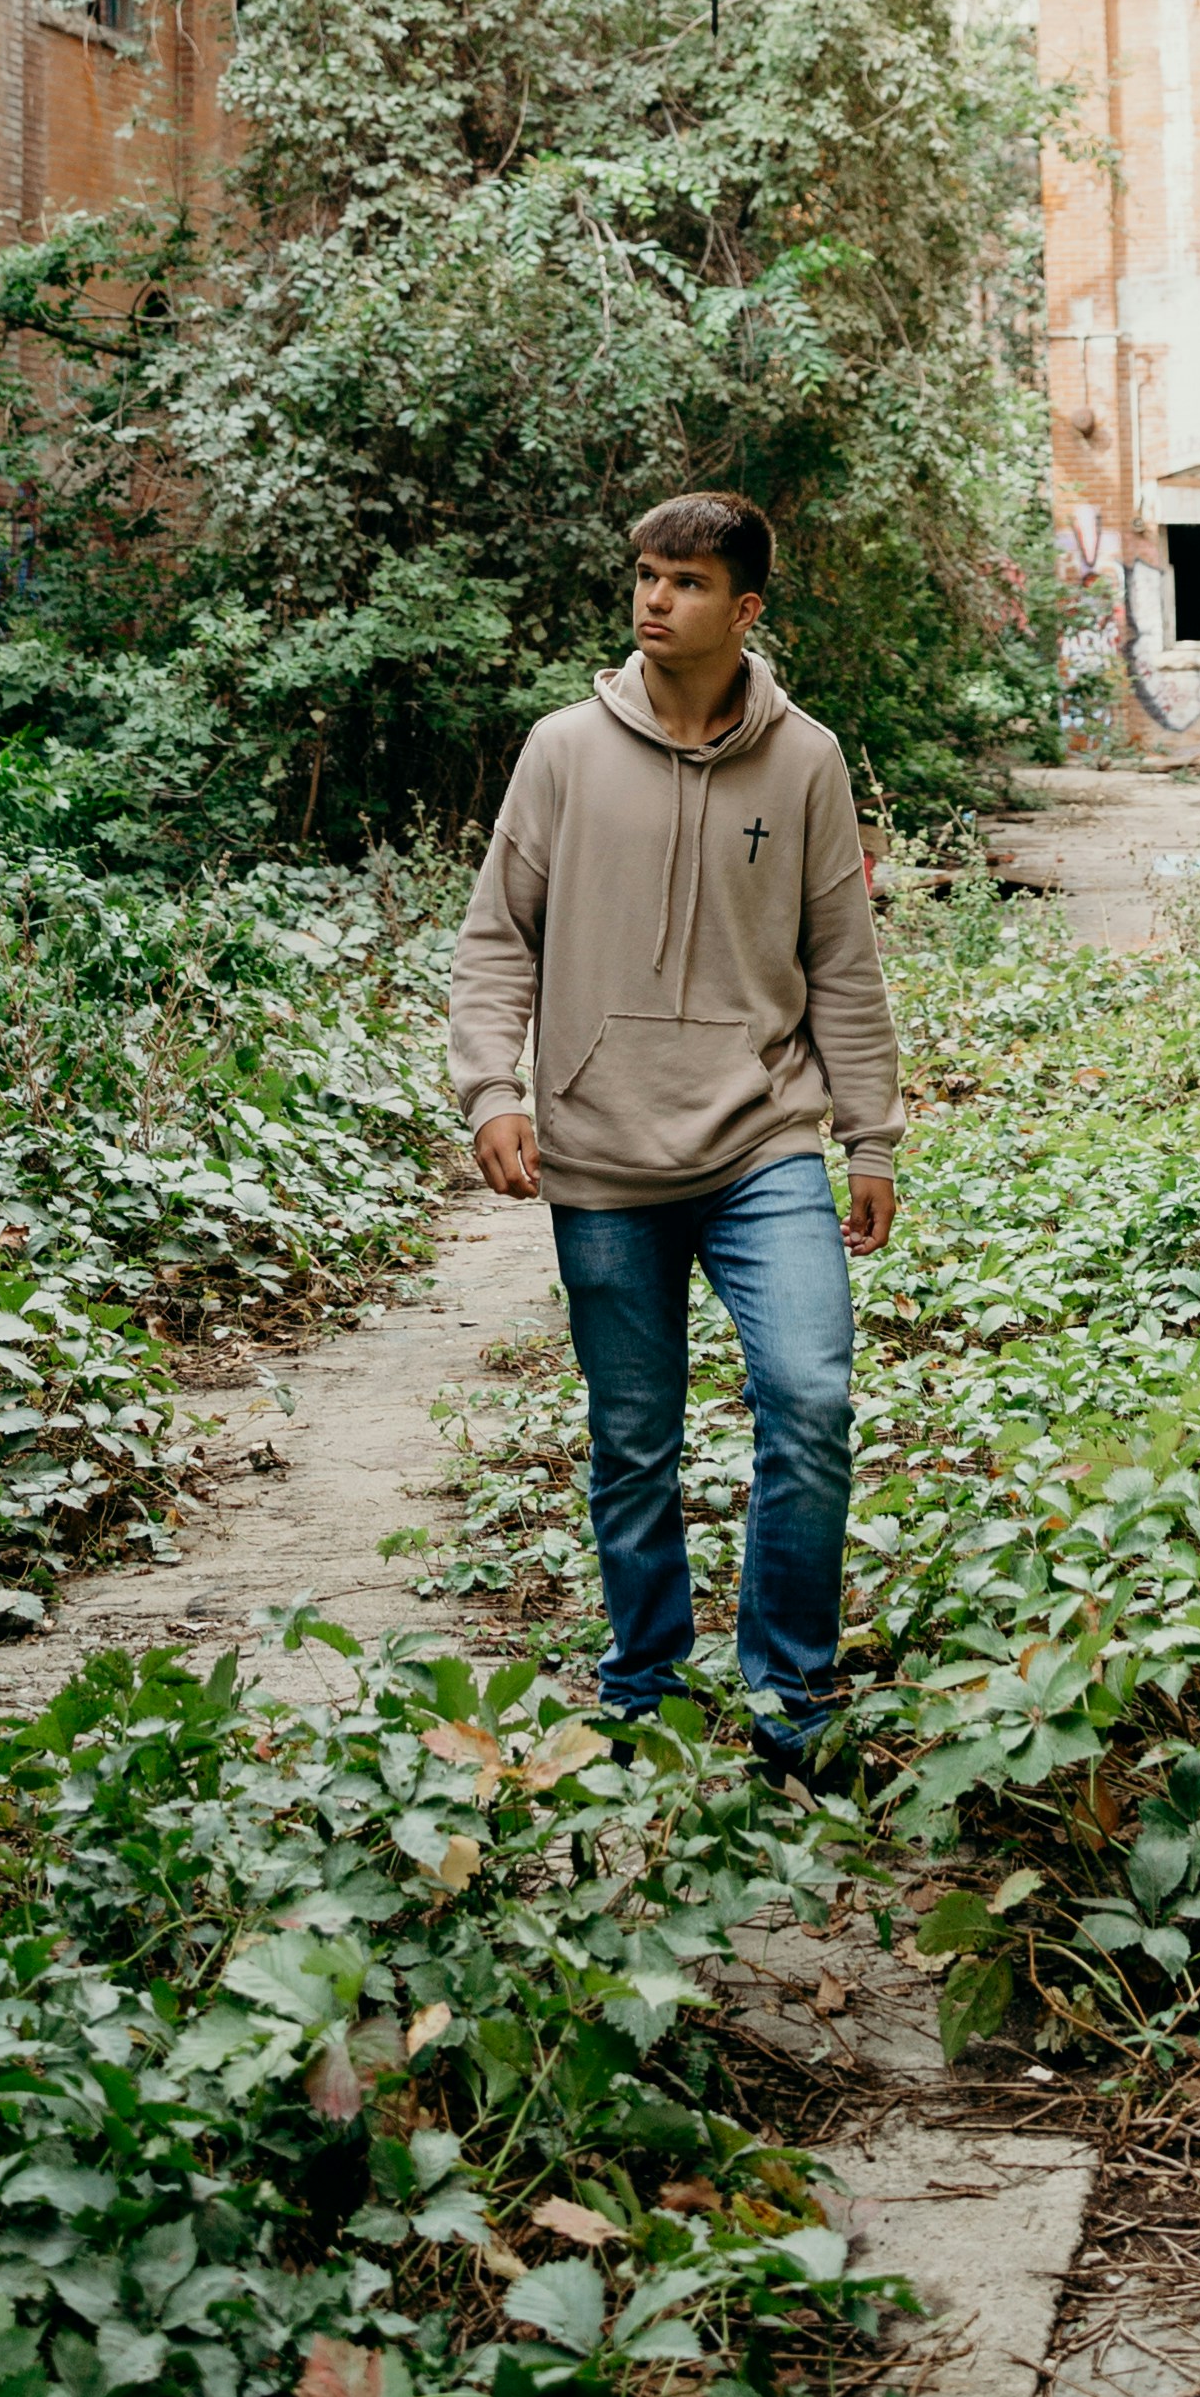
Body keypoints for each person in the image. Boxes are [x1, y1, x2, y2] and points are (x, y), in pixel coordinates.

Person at [449, 490, 900, 1782]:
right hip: (601, 1155)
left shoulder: (805, 761)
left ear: (744, 608)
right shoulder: (560, 751)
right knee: (633, 1436)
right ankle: (642, 1687)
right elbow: (495, 939)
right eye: (645, 575)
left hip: (764, 1145)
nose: (655, 599)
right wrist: (492, 1090)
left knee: (808, 1398)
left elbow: (843, 965)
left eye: (687, 581)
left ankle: (791, 1702)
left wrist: (868, 1137)